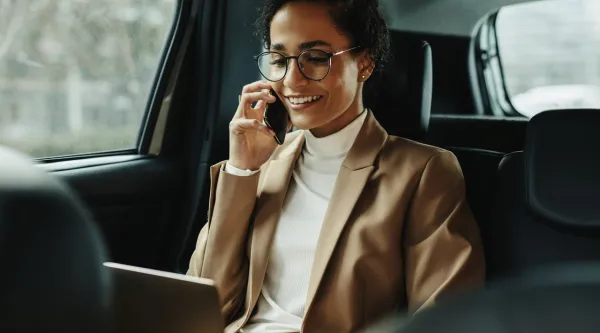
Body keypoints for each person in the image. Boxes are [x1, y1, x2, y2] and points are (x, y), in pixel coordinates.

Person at [187, 0, 485, 332]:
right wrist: (243, 170)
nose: (292, 81)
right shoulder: (262, 162)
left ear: (365, 63)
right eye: (278, 60)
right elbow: (205, 306)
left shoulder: (424, 172)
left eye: (315, 58)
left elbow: (446, 318)